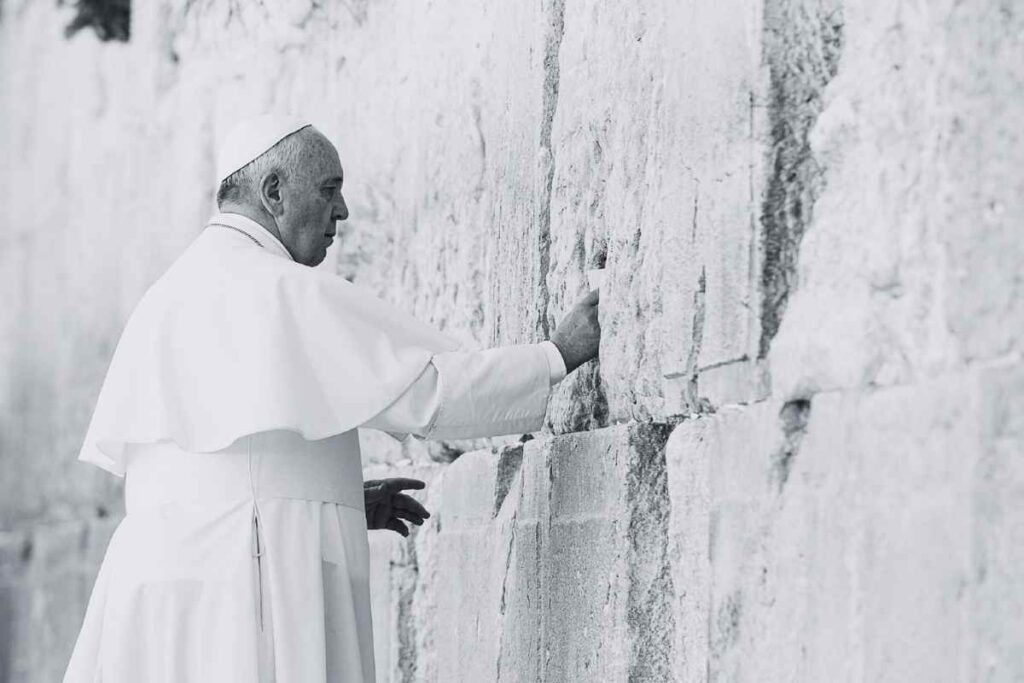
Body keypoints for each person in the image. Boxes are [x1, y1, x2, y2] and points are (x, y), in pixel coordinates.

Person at [62, 114, 600, 682]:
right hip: (250, 583)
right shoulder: (280, 288)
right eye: (329, 189)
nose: (341, 211)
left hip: (156, 597)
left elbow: (219, 469)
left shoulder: (163, 296)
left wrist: (334, 494)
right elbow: (428, 394)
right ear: (274, 192)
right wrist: (555, 356)